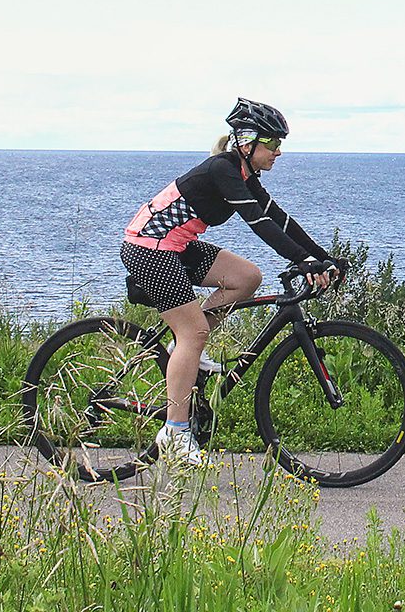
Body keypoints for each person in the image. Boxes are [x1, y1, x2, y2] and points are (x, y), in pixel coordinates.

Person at [121, 97, 342, 466]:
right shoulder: (222, 169)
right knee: (193, 334)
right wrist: (303, 261)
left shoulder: (243, 174)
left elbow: (279, 219)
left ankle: (184, 353)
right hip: (149, 249)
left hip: (176, 246)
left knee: (246, 278)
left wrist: (322, 256)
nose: (278, 152)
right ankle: (175, 431)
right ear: (246, 142)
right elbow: (258, 223)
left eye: (280, 144)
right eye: (272, 143)